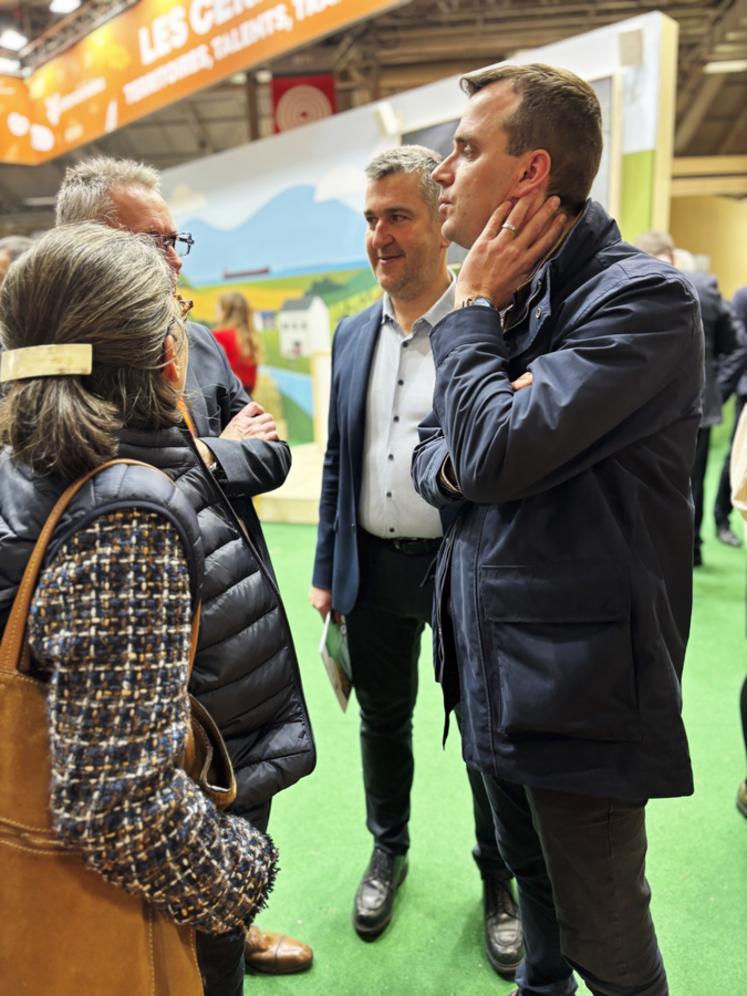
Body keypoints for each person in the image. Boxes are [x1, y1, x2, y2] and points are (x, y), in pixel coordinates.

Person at [413, 63, 701, 995]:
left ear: (530, 171)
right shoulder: (509, 298)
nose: (441, 174)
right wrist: (476, 436)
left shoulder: (639, 303)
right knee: (534, 900)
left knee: (607, 943)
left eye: (462, 150)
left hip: (578, 693)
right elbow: (440, 449)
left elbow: (493, 454)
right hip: (492, 671)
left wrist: (470, 326)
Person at [55, 157, 315, 991]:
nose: (175, 261)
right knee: (133, 872)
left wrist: (201, 456)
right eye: (153, 241)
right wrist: (209, 451)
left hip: (231, 636)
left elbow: (269, 447)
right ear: (85, 245)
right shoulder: (41, 362)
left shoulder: (195, 339)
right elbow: (84, 478)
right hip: (134, 662)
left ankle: (229, 932)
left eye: (178, 241)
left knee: (238, 815)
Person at [0, 222, 277, 990]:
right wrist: (242, 875)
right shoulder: (123, 517)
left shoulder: (21, 469)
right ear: (166, 354)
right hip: (92, 920)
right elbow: (118, 803)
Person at [309, 146, 522, 977]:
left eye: (396, 216)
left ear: (440, 220)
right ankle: (385, 851)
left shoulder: (489, 323)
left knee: (482, 734)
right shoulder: (352, 331)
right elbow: (339, 460)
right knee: (381, 721)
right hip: (369, 568)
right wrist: (328, 567)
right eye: (369, 220)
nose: (380, 236)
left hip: (464, 569)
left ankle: (497, 879)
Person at [635, 231, 739, 565]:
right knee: (685, 481)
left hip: (671, 407)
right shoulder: (700, 287)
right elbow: (735, 345)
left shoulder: (701, 289)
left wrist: (715, 387)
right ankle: (685, 550)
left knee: (679, 481)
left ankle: (683, 548)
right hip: (663, 406)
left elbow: (733, 345)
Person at [714, 283, 747, 547]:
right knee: (738, 459)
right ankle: (721, 519)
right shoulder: (744, 295)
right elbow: (739, 345)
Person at [214, 291, 261, 393]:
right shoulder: (250, 339)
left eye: (218, 308)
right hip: (246, 400)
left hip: (225, 400)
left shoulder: (218, 337)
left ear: (225, 311)